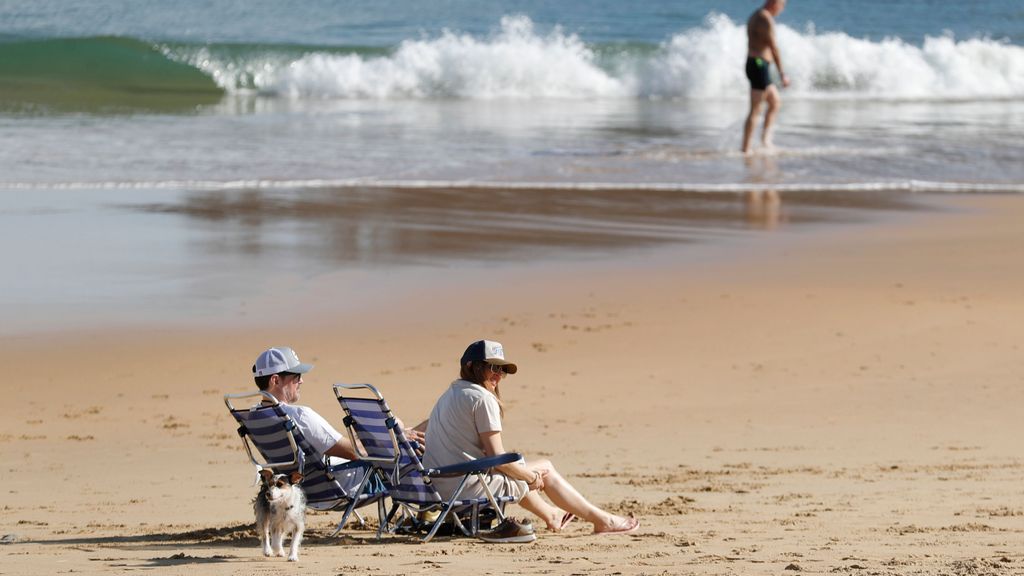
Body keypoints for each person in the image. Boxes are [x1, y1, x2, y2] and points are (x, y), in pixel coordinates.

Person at [422, 340, 640, 537]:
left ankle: (552, 514)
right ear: (472, 366)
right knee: (542, 468)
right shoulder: (482, 399)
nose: (499, 375)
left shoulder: (450, 394)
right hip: (462, 488)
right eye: (493, 367)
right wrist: (529, 477)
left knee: (516, 470)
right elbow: (497, 457)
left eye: (503, 370)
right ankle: (604, 520)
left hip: (439, 486)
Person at [251, 346, 424, 498]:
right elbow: (355, 453)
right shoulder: (299, 416)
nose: (301, 380)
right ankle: (430, 512)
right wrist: (395, 437)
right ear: (275, 380)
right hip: (346, 483)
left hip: (303, 487)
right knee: (418, 437)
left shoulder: (253, 417)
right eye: (296, 376)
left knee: (399, 428)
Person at [742, 0, 790, 155]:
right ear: (774, 3)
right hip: (758, 65)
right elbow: (773, 47)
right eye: (782, 5)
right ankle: (746, 148)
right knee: (755, 109)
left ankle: (765, 141)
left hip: (756, 64)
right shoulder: (765, 19)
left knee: (775, 102)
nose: (782, 10)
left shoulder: (756, 14)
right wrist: (782, 72)